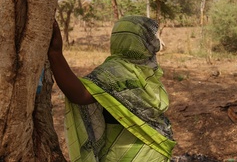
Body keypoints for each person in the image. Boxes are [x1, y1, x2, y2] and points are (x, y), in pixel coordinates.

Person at [48, 15, 176, 162]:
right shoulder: (148, 72)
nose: (158, 43)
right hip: (154, 153)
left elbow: (80, 95)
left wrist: (55, 54)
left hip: (125, 155)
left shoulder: (117, 71)